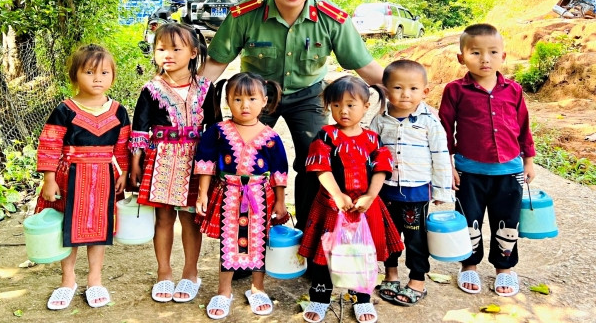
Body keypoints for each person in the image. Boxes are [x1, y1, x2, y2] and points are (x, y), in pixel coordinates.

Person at [200, 0, 384, 230]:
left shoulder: (331, 18)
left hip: (309, 96)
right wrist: (186, 99)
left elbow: (365, 66)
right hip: (257, 98)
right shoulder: (244, 14)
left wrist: (405, 90)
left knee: (316, 161)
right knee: (244, 160)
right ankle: (249, 236)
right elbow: (216, 63)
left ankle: (309, 236)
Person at [438, 23, 536, 297]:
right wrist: (448, 165)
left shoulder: (513, 90)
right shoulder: (455, 90)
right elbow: (444, 128)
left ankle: (504, 269)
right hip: (469, 172)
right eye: (476, 53)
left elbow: (523, 126)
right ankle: (468, 266)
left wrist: (528, 160)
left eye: (493, 52)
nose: (485, 59)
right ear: (462, 58)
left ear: (503, 56)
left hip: (510, 170)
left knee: (507, 222)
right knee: (469, 221)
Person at [298, 76, 404, 323]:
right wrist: (337, 194)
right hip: (331, 207)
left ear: (366, 106)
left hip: (365, 208)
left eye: (350, 105)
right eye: (336, 105)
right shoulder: (326, 135)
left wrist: (370, 196)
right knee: (326, 253)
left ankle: (361, 299)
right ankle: (320, 298)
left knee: (362, 253)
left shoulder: (372, 139)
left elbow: (381, 169)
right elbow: (321, 168)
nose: (342, 111)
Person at [35, 44, 130, 310]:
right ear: (74, 75)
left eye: (104, 72)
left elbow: (122, 147)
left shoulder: (118, 111)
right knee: (69, 228)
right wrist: (49, 178)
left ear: (113, 75)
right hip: (70, 176)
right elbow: (50, 144)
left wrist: (124, 174)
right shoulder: (65, 110)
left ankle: (95, 280)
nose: (97, 78)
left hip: (104, 178)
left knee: (99, 230)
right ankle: (68, 281)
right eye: (89, 72)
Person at [129, 23, 218, 303]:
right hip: (161, 161)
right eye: (161, 48)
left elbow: (215, 129)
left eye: (175, 48)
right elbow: (140, 129)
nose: (167, 54)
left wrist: (214, 167)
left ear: (193, 52)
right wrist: (135, 163)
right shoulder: (151, 90)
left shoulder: (206, 88)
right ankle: (164, 273)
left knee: (191, 219)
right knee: (164, 218)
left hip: (196, 161)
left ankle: (190, 273)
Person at [194, 72, 289, 319]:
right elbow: (205, 163)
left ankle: (258, 288)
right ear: (227, 100)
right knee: (229, 244)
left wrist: (280, 201)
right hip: (229, 193)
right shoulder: (218, 131)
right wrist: (202, 194)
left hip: (261, 196)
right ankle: (223, 291)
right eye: (237, 99)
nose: (244, 105)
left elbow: (279, 171)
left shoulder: (271, 137)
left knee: (258, 242)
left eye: (251, 99)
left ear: (264, 100)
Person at [369, 60, 454, 306]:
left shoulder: (429, 121)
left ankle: (417, 280)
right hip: (385, 190)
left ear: (425, 91)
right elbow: (371, 154)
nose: (405, 94)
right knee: (388, 236)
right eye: (397, 88)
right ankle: (391, 275)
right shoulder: (380, 120)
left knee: (415, 239)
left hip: (416, 192)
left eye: (413, 89)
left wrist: (441, 189)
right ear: (385, 90)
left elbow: (440, 155)